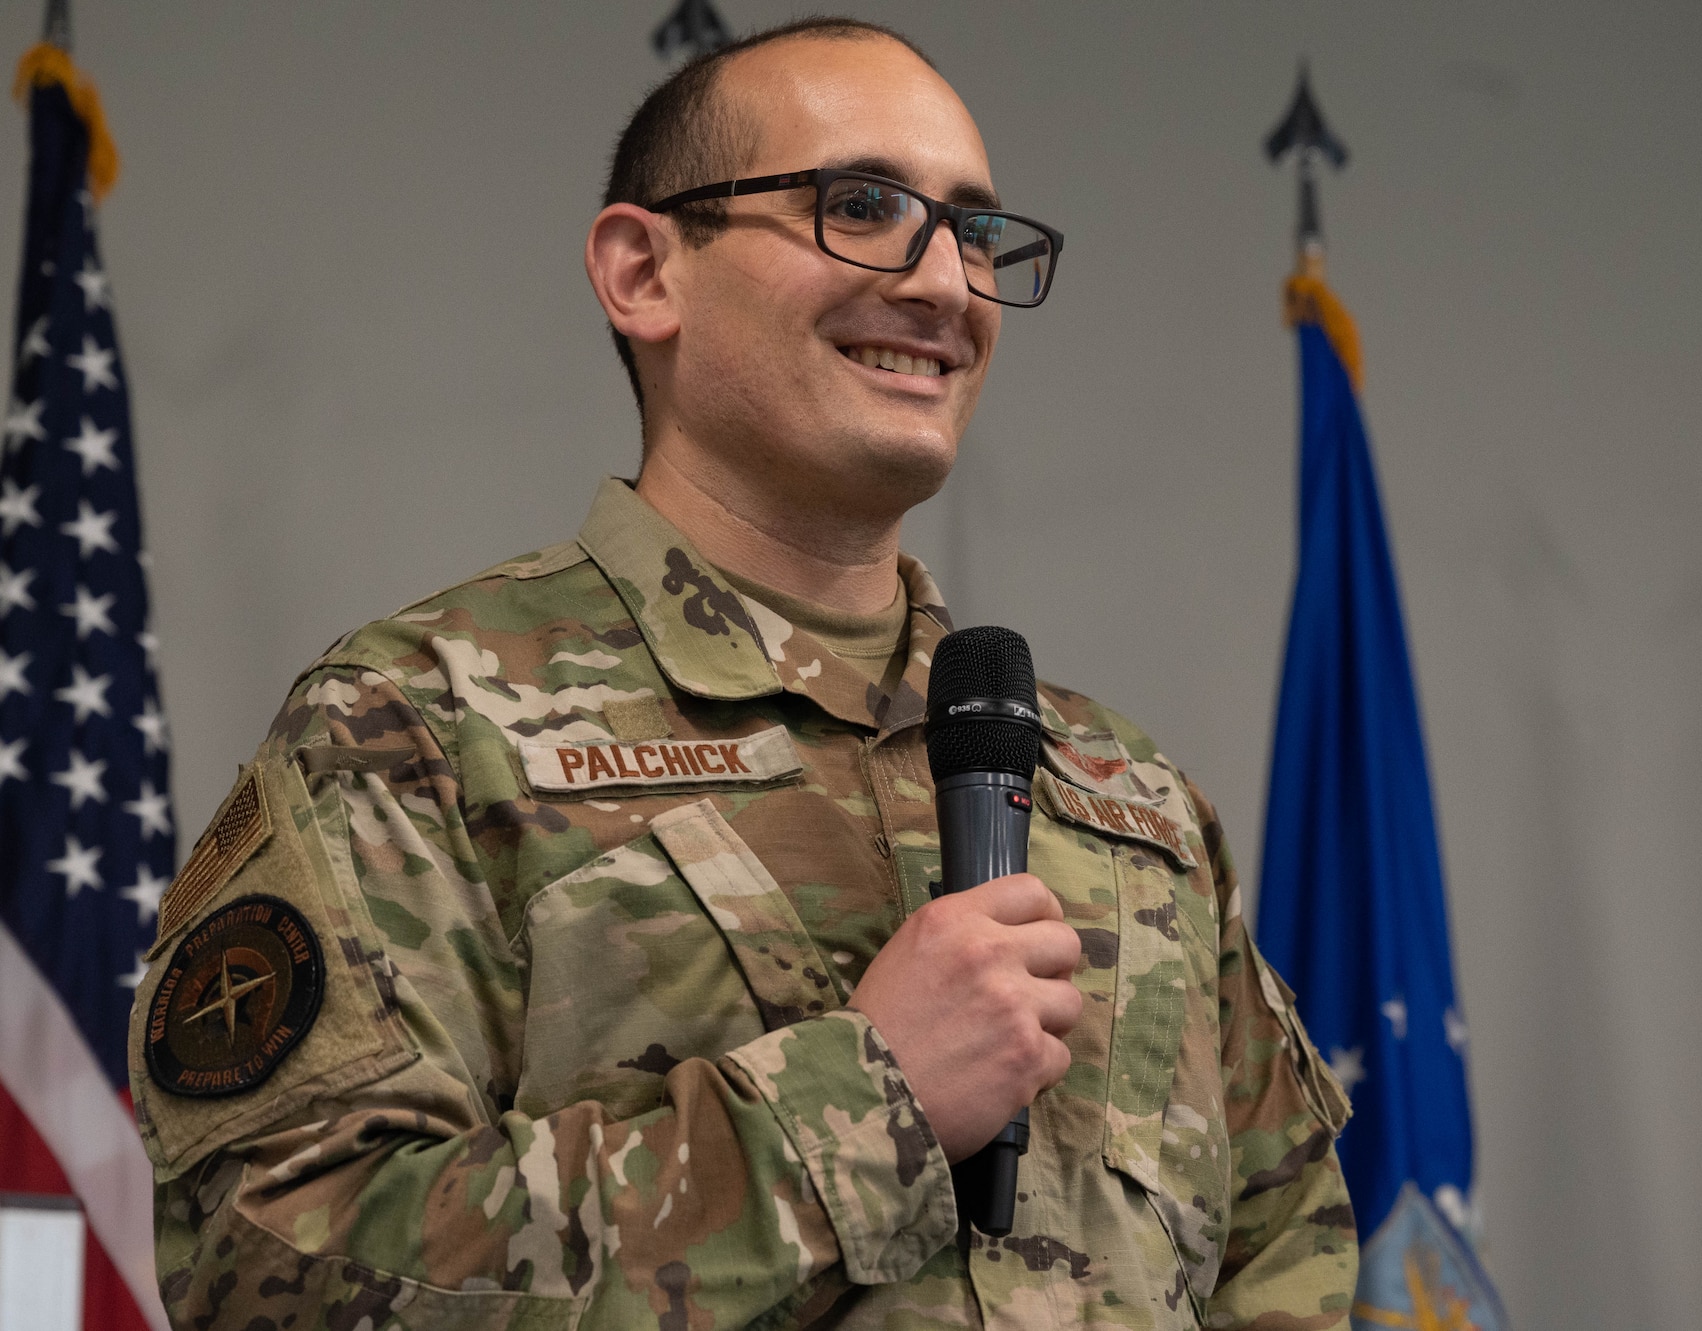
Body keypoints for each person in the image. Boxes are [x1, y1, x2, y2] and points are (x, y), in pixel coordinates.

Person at [129, 17, 1359, 1329]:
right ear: (643, 271)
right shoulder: (420, 727)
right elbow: (273, 1276)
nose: (947, 284)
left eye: (978, 234)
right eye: (863, 205)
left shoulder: (1134, 805)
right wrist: (862, 1098)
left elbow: (1296, 1267)